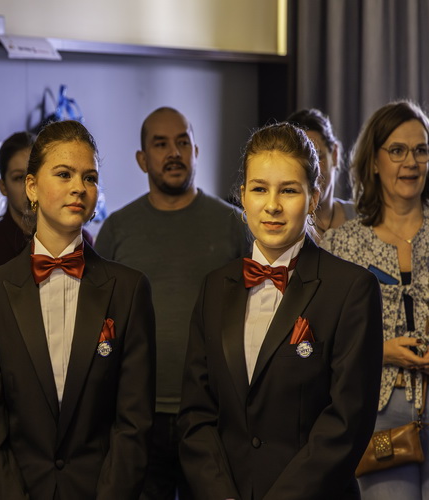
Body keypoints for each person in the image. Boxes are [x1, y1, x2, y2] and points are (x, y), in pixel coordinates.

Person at [179, 122, 383, 500]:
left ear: (313, 197)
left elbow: (346, 423)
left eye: (288, 190)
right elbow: (196, 414)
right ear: (242, 196)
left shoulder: (352, 289)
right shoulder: (214, 288)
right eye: (259, 189)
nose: (272, 205)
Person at [0, 120, 156, 499]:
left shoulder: (129, 290)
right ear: (32, 187)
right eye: (64, 174)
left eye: (90, 177)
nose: (79, 187)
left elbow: (133, 422)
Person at [94, 106, 247, 499]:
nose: (174, 153)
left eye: (182, 142)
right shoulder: (117, 230)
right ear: (142, 159)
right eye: (160, 144)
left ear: (197, 150)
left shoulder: (234, 225)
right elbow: (98, 321)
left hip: (215, 413)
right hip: (137, 415)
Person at [321, 100, 429, 499]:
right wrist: (381, 351)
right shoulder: (341, 245)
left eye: (421, 150)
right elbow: (321, 342)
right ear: (374, 162)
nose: (411, 162)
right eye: (397, 150)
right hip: (379, 414)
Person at [0, 131, 93, 310]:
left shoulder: (81, 241)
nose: (29, 187)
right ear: (3, 187)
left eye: (36, 175)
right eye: (18, 178)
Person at [287, 108, 355, 239]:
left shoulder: (364, 218)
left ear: (334, 154)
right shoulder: (282, 225)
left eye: (318, 157)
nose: (311, 171)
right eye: (301, 161)